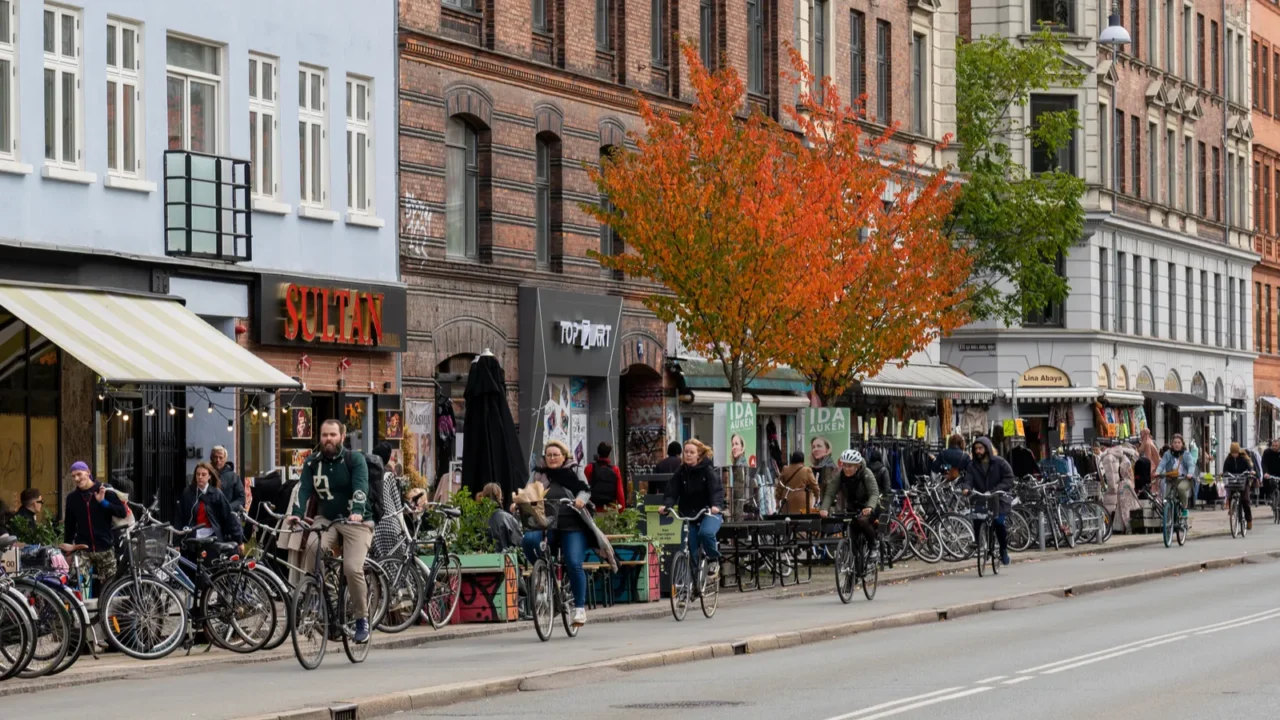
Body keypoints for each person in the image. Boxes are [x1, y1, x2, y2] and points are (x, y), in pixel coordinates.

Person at [289, 419, 374, 643]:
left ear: (342, 437)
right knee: (312, 549)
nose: (328, 439)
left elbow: (361, 486)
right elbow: (303, 489)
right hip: (326, 518)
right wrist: (297, 513)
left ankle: (361, 619)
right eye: (325, 435)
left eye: (333, 435)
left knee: (352, 568)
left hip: (356, 521)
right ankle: (317, 596)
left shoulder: (354, 459)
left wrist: (357, 511)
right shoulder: (312, 462)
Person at [520, 440, 592, 627]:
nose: (552, 458)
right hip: (547, 524)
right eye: (549, 455)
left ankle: (579, 608)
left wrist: (580, 500)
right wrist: (518, 502)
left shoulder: (574, 470)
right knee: (528, 540)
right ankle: (544, 573)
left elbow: (585, 490)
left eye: (556, 455)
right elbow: (527, 492)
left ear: (564, 456)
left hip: (572, 524)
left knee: (573, 562)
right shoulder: (538, 473)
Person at [659, 439, 724, 579]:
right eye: (686, 452)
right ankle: (692, 585)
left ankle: (713, 560)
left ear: (698, 455)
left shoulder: (708, 471)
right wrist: (667, 506)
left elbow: (716, 490)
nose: (688, 455)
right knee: (690, 546)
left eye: (692, 452)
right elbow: (672, 492)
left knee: (705, 533)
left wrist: (716, 505)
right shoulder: (681, 472)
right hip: (689, 514)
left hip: (708, 512)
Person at [61, 461, 128, 590]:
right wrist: (68, 551)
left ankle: (107, 603)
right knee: (74, 583)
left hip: (105, 547)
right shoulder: (72, 498)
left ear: (88, 472)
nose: (76, 479)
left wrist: (103, 502)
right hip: (83, 548)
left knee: (110, 587)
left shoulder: (104, 490)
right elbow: (69, 526)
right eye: (73, 476)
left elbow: (122, 512)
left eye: (79, 474)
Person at [958, 437, 1014, 566]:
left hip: (999, 498)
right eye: (976, 449)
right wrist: (966, 488)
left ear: (987, 448)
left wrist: (995, 490)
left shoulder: (1000, 463)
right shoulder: (972, 466)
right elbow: (968, 479)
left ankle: (1003, 550)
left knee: (999, 523)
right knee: (977, 519)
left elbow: (1009, 478)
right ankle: (978, 542)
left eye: (980, 448)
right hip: (981, 497)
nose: (978, 451)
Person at [817, 449, 880, 558]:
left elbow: (874, 493)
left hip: (869, 506)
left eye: (850, 466)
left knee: (863, 520)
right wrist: (824, 508)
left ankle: (873, 545)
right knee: (851, 531)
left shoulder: (866, 473)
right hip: (853, 508)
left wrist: (869, 507)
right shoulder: (840, 475)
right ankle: (855, 560)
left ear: (858, 466)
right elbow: (830, 493)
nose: (846, 468)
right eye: (844, 465)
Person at [176, 462, 243, 544]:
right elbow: (179, 517)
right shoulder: (188, 493)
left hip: (212, 537)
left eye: (203, 474)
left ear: (209, 476)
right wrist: (176, 542)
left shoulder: (216, 493)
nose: (200, 477)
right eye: (198, 474)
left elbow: (228, 515)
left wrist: (238, 540)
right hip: (192, 537)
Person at [371, 443, 413, 559]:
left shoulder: (368, 474)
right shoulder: (388, 476)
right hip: (389, 523)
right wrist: (407, 534)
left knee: (378, 563)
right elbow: (398, 508)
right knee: (399, 560)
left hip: (374, 525)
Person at [1155, 434, 1196, 516]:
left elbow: (1191, 465)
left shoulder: (1186, 454)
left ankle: (1184, 507)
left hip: (1185, 479)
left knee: (1181, 488)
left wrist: (1190, 473)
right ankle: (1168, 517)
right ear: (1172, 444)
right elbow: (1162, 464)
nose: (1177, 444)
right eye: (1175, 442)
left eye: (1179, 442)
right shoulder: (1167, 454)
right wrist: (1157, 472)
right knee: (1167, 498)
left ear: (1182, 444)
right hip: (1172, 479)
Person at [478, 483, 522, 551]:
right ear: (500, 497)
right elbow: (519, 544)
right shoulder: (508, 518)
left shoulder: (478, 521)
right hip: (507, 557)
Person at [1222, 441, 1255, 530]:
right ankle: (1232, 508)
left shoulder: (1243, 459)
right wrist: (1224, 473)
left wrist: (1251, 471)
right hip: (1233, 481)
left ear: (1238, 452)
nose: (1234, 455)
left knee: (1245, 500)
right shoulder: (1228, 460)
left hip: (1243, 481)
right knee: (1231, 495)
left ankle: (1249, 520)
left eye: (1236, 453)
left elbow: (1249, 468)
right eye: (1233, 453)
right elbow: (1225, 470)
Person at [586, 441, 626, 509]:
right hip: (610, 509)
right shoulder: (615, 469)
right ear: (609, 454)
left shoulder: (589, 468)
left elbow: (584, 488)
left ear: (598, 453)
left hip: (593, 509)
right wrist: (622, 510)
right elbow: (620, 493)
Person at [210, 446, 248, 514]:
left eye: (220, 457)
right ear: (211, 458)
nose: (218, 460)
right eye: (215, 457)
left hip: (228, 515)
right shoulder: (205, 474)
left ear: (225, 459)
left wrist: (228, 507)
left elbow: (241, 499)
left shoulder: (233, 477)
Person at [809, 436, 837, 506]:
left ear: (827, 449)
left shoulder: (828, 466)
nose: (815, 449)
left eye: (819, 446)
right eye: (813, 447)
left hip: (826, 506)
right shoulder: (820, 465)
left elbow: (827, 489)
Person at [865, 448, 892, 515]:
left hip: (868, 498)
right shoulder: (883, 469)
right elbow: (887, 486)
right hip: (880, 498)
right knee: (881, 517)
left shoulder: (866, 469)